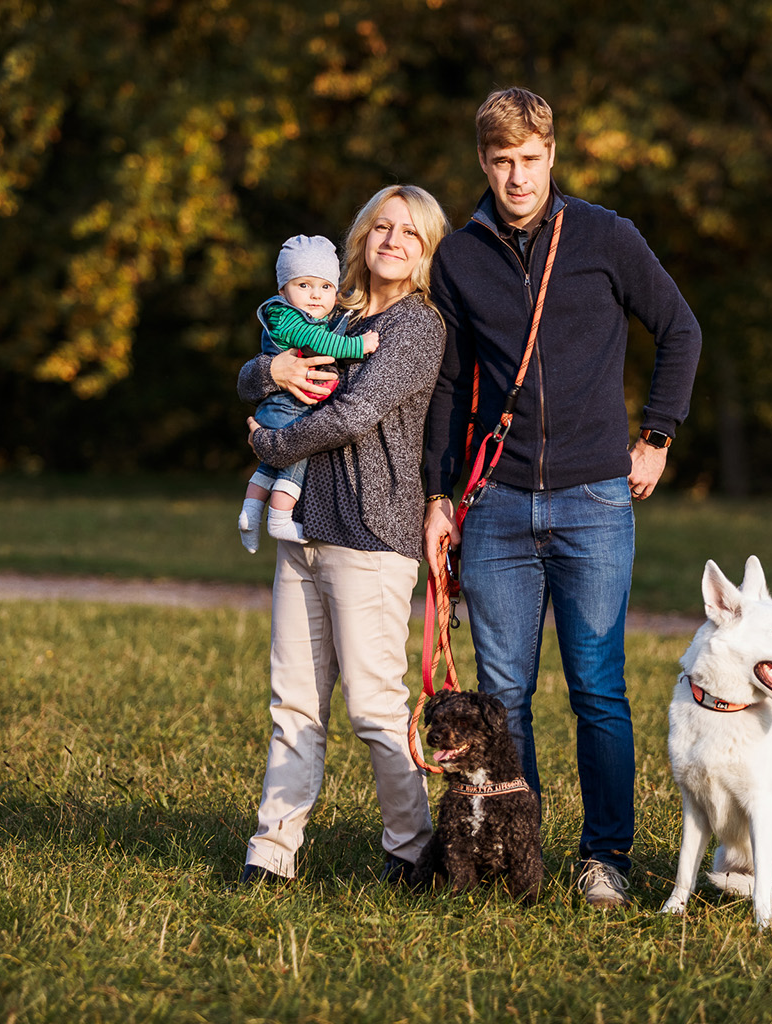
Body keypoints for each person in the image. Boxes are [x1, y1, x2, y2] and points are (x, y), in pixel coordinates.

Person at [421, 87, 703, 907]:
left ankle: (605, 857)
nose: (517, 177)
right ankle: (522, 858)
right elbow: (449, 385)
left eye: (531, 160)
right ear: (484, 161)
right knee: (504, 698)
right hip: (497, 503)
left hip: (594, 497)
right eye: (502, 162)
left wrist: (656, 436)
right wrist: (442, 496)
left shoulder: (606, 236)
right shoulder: (462, 257)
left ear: (553, 154)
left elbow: (680, 329)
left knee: (597, 690)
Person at [237, 184, 452, 885]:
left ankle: (411, 849)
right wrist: (269, 370)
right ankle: (272, 852)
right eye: (381, 227)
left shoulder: (419, 326)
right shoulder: (333, 309)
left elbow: (355, 414)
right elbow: (253, 369)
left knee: (372, 706)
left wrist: (274, 444)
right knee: (293, 699)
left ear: (424, 251)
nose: (392, 240)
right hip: (302, 529)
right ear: (361, 236)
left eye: (409, 233)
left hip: (370, 532)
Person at [237, 235, 381, 553]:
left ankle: (249, 513)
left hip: (276, 407)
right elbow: (327, 346)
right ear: (282, 291)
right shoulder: (290, 320)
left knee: (268, 466)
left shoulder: (305, 316)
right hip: (290, 407)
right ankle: (279, 517)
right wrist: (361, 345)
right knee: (295, 458)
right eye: (304, 285)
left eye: (325, 287)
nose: (316, 295)